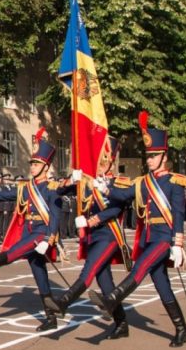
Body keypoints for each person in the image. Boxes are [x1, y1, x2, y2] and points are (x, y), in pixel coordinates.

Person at [89, 111, 186, 347]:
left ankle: (111, 299)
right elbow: (123, 195)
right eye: (148, 156)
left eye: (154, 156)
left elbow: (178, 213)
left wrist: (178, 243)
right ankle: (181, 328)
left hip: (165, 237)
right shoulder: (143, 182)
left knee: (142, 266)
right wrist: (104, 188)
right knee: (161, 283)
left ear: (164, 156)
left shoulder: (175, 181)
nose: (149, 160)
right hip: (149, 237)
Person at [45, 136, 131, 339]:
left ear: (112, 160)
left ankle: (64, 301)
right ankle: (122, 323)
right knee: (105, 282)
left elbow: (118, 207)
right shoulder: (87, 180)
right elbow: (59, 191)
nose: (100, 163)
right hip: (94, 237)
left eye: (104, 159)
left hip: (109, 234)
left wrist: (93, 220)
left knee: (89, 270)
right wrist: (72, 178)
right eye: (98, 159)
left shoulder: (119, 181)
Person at [0, 128, 63, 332]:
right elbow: (3, 195)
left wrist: (49, 237)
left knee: (12, 253)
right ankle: (51, 316)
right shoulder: (25, 187)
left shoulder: (52, 187)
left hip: (40, 234)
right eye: (32, 163)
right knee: (39, 274)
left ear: (46, 166)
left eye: (36, 164)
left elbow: (55, 215)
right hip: (30, 231)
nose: (33, 166)